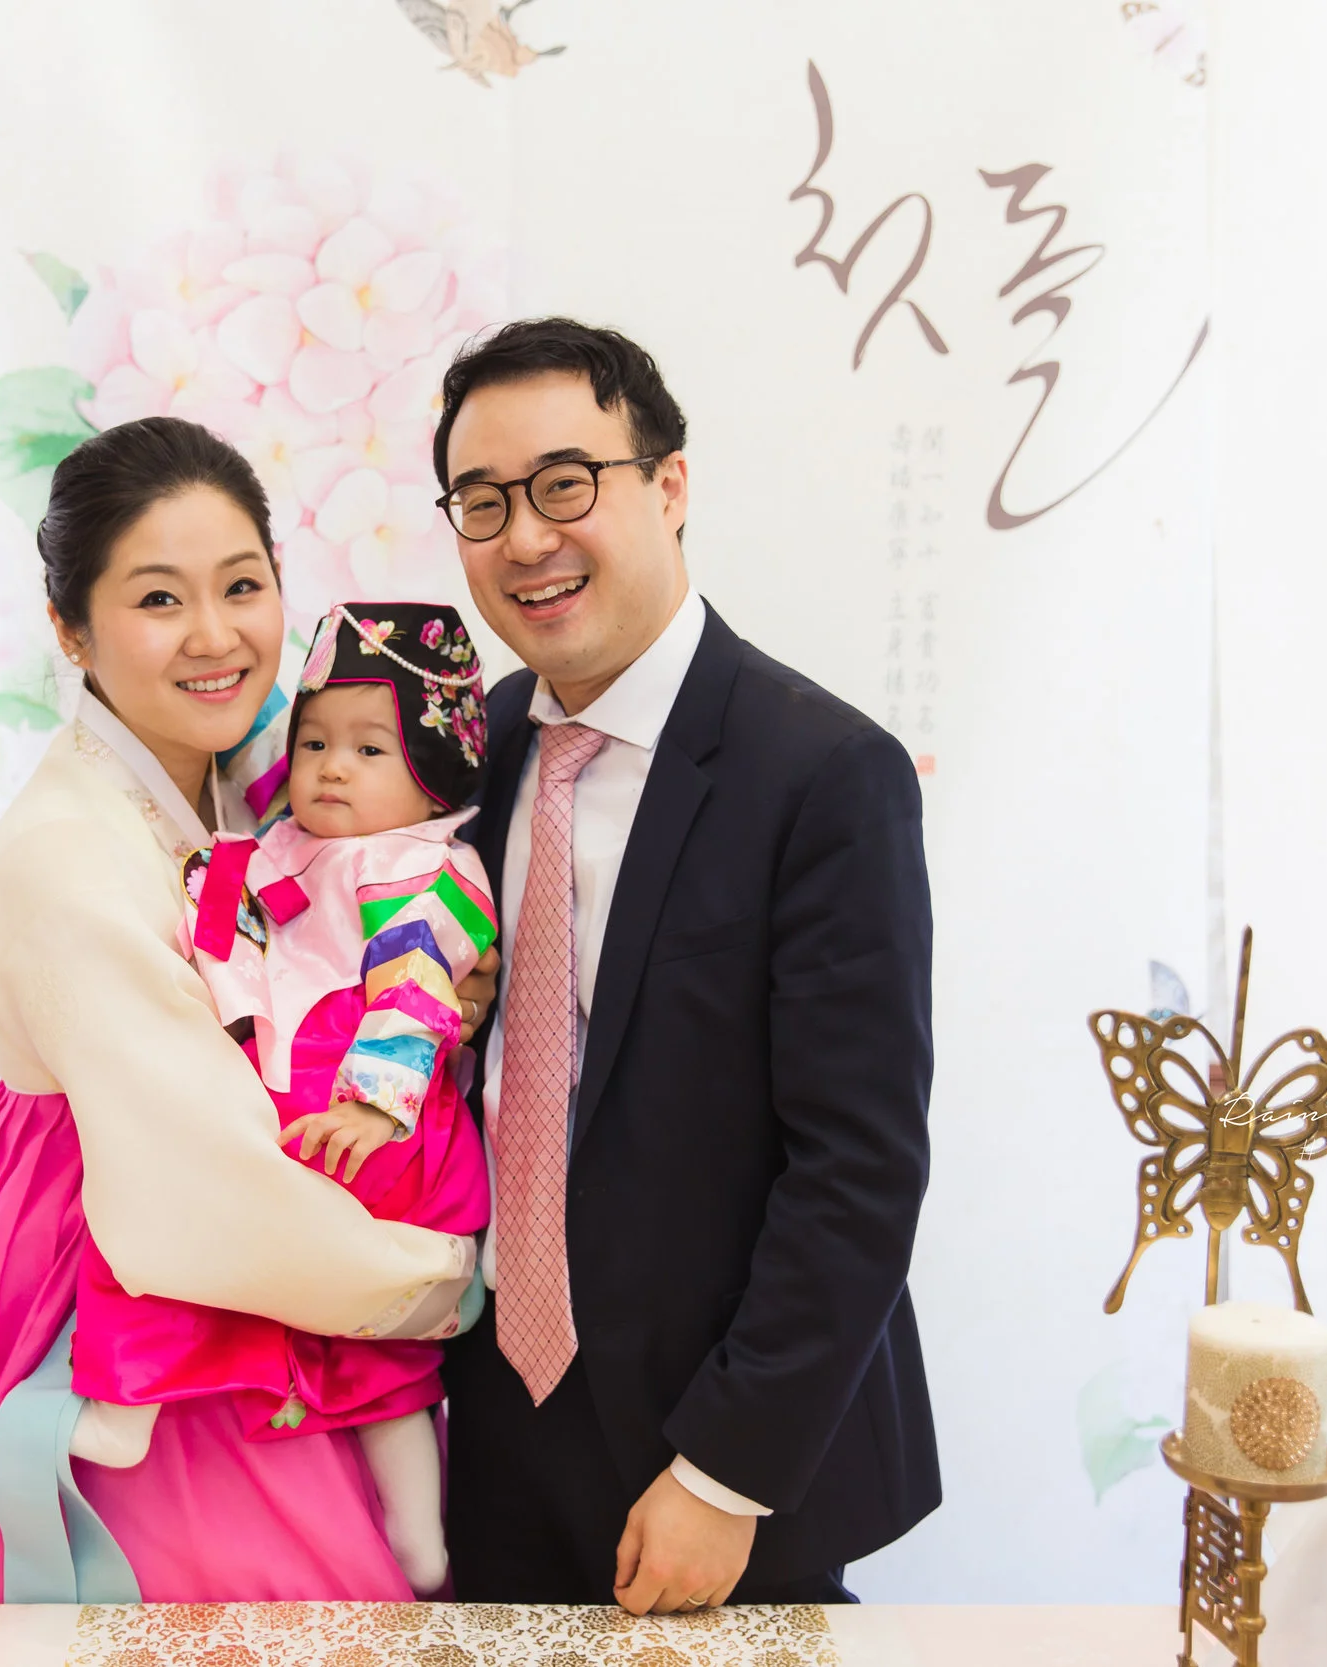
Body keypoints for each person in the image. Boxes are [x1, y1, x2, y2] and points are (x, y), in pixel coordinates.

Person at [0, 418, 491, 1604]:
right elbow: (198, 1193)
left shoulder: (264, 781)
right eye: (159, 598)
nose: (215, 635)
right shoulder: (68, 853)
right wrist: (446, 1280)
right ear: (70, 628)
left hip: (260, 1260)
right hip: (143, 1273)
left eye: (242, 585)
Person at [433, 319, 940, 1611]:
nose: (525, 538)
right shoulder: (465, 753)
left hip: (716, 1446)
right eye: (482, 502)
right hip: (488, 1436)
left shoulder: (824, 773)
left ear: (668, 484)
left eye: (565, 483)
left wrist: (726, 1470)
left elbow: (859, 1164)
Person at [69, 599, 498, 1596]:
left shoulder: (427, 867)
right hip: (287, 1098)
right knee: (195, 1242)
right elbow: (238, 833)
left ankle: (419, 1530)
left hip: (375, 1125)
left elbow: (416, 984)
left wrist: (373, 1105)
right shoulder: (287, 842)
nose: (332, 767)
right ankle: (131, 1399)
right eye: (315, 743)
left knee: (350, 1322)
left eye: (369, 749)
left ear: (434, 769)